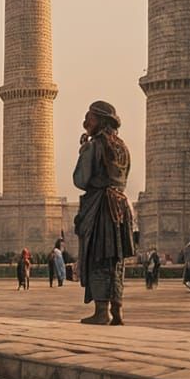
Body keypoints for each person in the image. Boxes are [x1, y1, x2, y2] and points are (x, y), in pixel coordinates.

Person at [72, 98, 135, 326]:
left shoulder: (95, 146)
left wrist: (83, 151)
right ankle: (117, 309)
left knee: (98, 256)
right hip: (120, 207)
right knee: (115, 259)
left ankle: (101, 311)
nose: (85, 122)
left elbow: (81, 180)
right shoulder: (122, 148)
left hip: (99, 208)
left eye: (89, 118)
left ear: (99, 120)